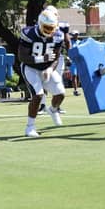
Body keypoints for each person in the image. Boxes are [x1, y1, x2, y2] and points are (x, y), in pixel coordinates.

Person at [18, 9, 65, 137]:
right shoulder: (29, 33)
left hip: (46, 68)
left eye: (52, 28)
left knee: (60, 94)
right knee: (38, 95)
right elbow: (22, 57)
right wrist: (41, 59)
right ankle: (30, 127)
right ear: (40, 24)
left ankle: (53, 110)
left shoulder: (58, 35)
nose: (49, 31)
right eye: (46, 27)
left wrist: (50, 68)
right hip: (30, 68)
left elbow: (56, 57)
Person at [69, 30, 82, 96]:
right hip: (72, 61)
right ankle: (75, 90)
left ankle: (77, 89)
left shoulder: (80, 42)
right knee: (74, 76)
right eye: (74, 34)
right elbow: (67, 50)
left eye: (77, 34)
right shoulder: (69, 42)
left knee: (79, 76)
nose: (76, 35)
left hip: (79, 61)